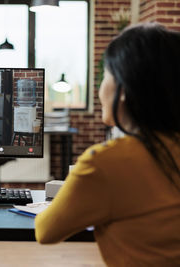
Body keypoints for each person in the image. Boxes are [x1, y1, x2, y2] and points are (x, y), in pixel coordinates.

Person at [35, 23, 180, 266]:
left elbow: (46, 231)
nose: (101, 87)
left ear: (124, 90)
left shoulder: (106, 162)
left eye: (107, 74)